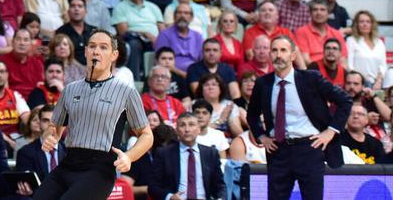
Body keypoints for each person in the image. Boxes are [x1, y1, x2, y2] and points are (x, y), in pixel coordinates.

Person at [35, 30, 153, 200]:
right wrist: (49, 136)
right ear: (85, 52)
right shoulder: (70, 89)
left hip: (101, 168)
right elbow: (54, 128)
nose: (96, 51)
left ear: (114, 55)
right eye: (92, 46)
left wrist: (129, 157)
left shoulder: (126, 91)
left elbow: (146, 135)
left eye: (103, 47)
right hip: (69, 162)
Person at [245, 35, 352, 200]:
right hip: (277, 150)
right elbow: (252, 114)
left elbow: (345, 101)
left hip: (309, 148)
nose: (278, 54)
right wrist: (262, 136)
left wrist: (330, 132)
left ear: (293, 56)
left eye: (283, 50)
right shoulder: (263, 83)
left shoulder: (311, 78)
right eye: (274, 50)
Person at [149, 111, 227, 200]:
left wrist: (220, 198)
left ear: (199, 129)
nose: (187, 129)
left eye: (191, 125)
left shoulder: (211, 154)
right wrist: (170, 197)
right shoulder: (164, 154)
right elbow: (152, 187)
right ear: (177, 130)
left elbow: (220, 185)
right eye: (182, 125)